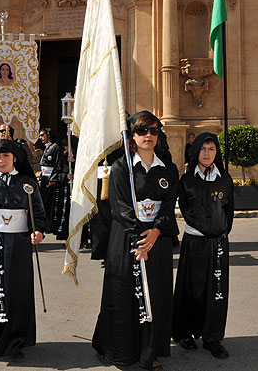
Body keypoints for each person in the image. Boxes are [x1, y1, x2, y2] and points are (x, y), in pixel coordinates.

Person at [92, 111, 179, 371]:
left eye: (153, 131)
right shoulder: (121, 168)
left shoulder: (168, 169)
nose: (148, 136)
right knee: (125, 294)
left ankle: (150, 350)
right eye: (142, 131)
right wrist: (140, 237)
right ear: (132, 135)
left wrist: (155, 232)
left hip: (158, 240)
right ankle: (120, 349)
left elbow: (168, 204)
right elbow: (119, 208)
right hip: (128, 240)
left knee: (155, 294)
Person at [0, 139, 48, 361]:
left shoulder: (27, 183)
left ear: (14, 158)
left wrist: (38, 231)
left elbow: (39, 214)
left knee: (18, 291)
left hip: (20, 245)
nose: (1, 161)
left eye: (5, 156)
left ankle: (16, 340)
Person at [172, 132, 234, 359]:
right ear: (195, 151)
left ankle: (212, 337)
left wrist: (220, 233)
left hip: (217, 242)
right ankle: (184, 333)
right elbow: (187, 211)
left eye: (212, 150)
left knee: (216, 291)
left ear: (217, 153)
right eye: (203, 149)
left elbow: (229, 213)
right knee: (192, 289)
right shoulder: (187, 181)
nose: (207, 154)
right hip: (194, 242)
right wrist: (205, 230)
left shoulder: (225, 179)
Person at [38, 128, 61, 222]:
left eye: (42, 135)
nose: (40, 137)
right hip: (44, 177)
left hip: (50, 178)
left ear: (48, 135)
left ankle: (50, 223)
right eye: (40, 135)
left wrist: (53, 179)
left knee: (49, 202)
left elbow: (57, 164)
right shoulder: (47, 147)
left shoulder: (55, 147)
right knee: (43, 201)